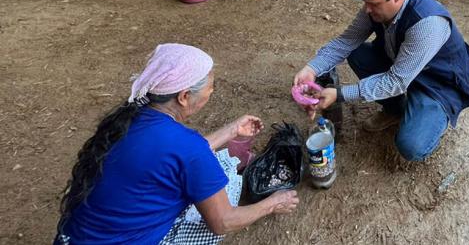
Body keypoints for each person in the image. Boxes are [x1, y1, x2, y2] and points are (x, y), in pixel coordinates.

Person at [55, 43, 299, 244]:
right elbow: (222, 221)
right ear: (184, 97)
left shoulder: (128, 118)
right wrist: (274, 202)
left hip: (72, 238)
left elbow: (177, 155)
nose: (211, 93)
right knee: (230, 182)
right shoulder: (188, 149)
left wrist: (232, 130)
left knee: (210, 169)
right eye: (210, 88)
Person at [293, 0, 469, 162]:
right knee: (357, 52)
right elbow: (347, 41)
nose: (366, 9)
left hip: (437, 82)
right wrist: (311, 68)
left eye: (372, 3)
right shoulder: (375, 6)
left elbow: (396, 81)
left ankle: (430, 118)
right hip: (402, 65)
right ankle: (395, 109)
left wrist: (339, 94)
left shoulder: (427, 23)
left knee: (412, 145)